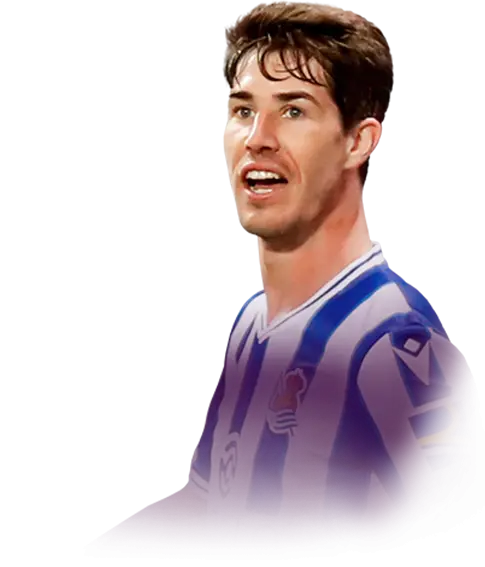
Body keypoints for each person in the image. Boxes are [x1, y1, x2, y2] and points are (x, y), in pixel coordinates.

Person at [83, 1, 485, 559]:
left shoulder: (391, 344)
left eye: (293, 110)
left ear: (358, 141)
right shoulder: (254, 322)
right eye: (243, 109)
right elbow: (205, 509)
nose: (258, 137)